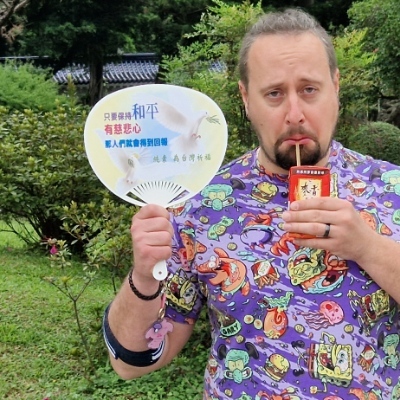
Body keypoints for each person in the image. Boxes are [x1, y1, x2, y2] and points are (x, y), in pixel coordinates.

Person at [103, 7, 400, 400]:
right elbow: (131, 362)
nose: (295, 114)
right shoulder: (201, 203)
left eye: (309, 90)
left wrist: (367, 247)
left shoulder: (390, 187)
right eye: (274, 94)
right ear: (246, 99)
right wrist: (144, 276)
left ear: (335, 86)